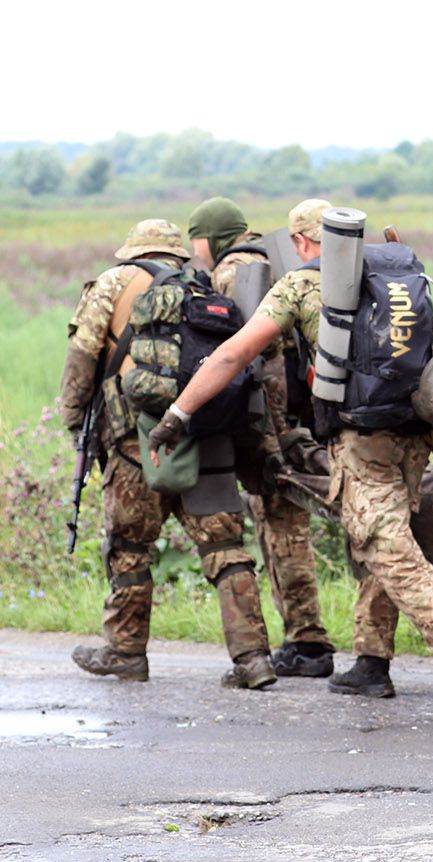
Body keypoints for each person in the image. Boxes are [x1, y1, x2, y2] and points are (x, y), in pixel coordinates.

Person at [147, 199, 433, 707]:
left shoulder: (300, 284)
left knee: (386, 546)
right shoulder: (395, 275)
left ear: (300, 243)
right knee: (383, 537)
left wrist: (176, 415)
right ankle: (372, 662)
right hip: (414, 434)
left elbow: (234, 353)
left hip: (362, 439)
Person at [59, 219, 276, 688]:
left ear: (132, 251)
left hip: (138, 444)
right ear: (177, 253)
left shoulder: (113, 283)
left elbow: (82, 357)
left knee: (130, 548)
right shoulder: (201, 282)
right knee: (225, 547)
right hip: (207, 434)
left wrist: (75, 419)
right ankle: (254, 657)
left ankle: (126, 652)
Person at [187, 196, 335, 677]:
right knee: (286, 526)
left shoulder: (233, 272)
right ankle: (306, 639)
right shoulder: (276, 259)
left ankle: (308, 642)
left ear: (211, 237)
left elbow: (260, 362)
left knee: (282, 528)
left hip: (274, 422)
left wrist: (269, 439)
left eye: (197, 240)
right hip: (307, 411)